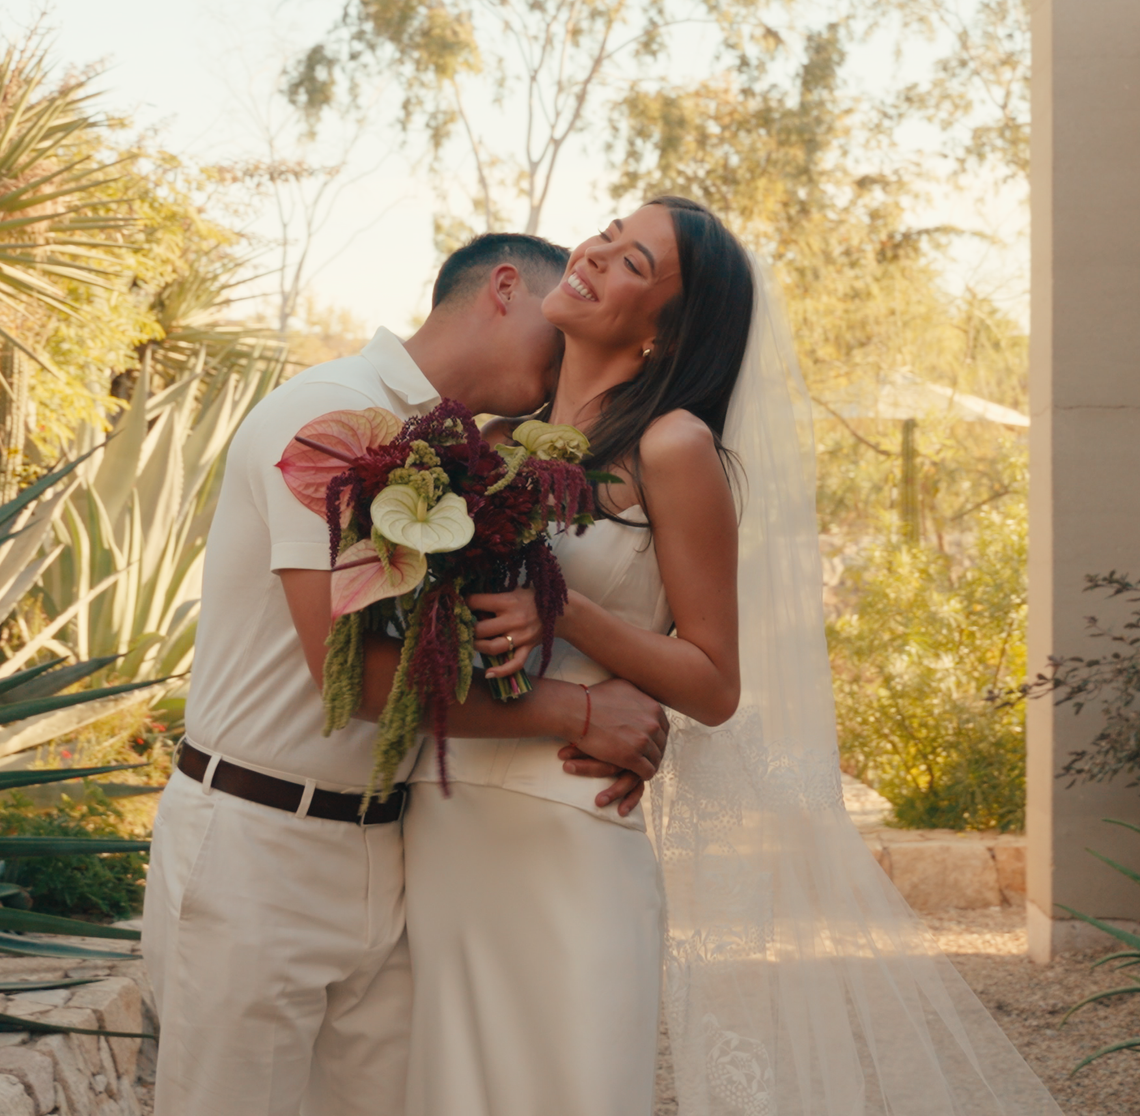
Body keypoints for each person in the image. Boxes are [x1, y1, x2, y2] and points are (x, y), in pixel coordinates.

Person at [404, 197, 1067, 1116]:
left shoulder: (672, 447)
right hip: (444, 819)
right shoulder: (490, 446)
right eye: (607, 234)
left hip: (568, 825)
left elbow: (715, 684)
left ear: (664, 333)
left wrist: (573, 612)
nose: (593, 253)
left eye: (632, 262)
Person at [139, 232, 674, 1116]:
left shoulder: (480, 453)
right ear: (505, 288)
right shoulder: (328, 416)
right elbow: (354, 680)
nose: (559, 375)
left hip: (394, 849)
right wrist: (578, 712)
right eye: (557, 340)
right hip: (257, 847)